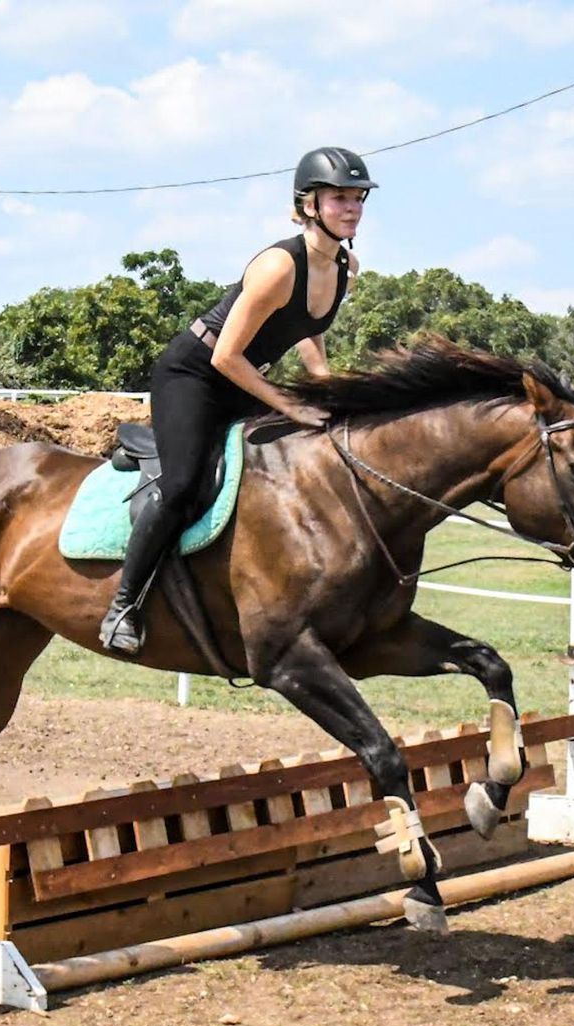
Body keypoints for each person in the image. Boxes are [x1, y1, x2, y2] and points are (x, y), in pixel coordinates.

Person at [99, 146, 377, 654]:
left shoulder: (344, 267)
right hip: (195, 374)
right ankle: (123, 606)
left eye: (358, 198)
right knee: (183, 485)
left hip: (244, 379)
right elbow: (226, 355)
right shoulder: (277, 265)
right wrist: (289, 404)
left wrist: (327, 386)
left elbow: (304, 328)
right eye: (340, 197)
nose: (353, 207)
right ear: (309, 204)